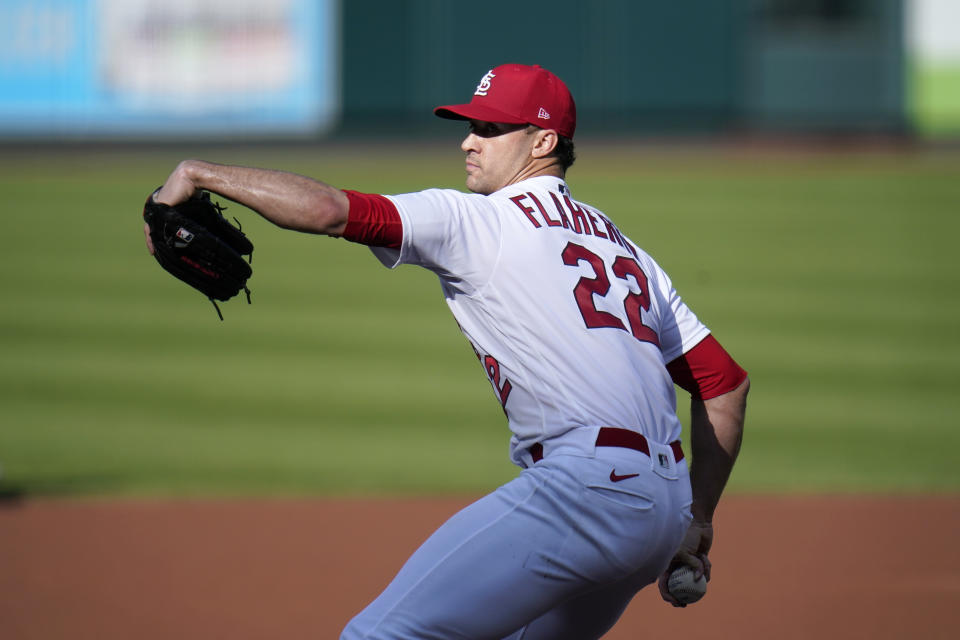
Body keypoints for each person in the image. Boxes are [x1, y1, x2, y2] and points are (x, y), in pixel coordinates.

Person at [144, 63, 749, 639]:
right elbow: (723, 384)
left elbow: (329, 211)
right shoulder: (625, 249)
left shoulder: (477, 219)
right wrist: (697, 519)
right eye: (469, 125)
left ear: (542, 142)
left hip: (586, 492)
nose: (468, 140)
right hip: (663, 509)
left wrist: (200, 173)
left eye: (489, 128)